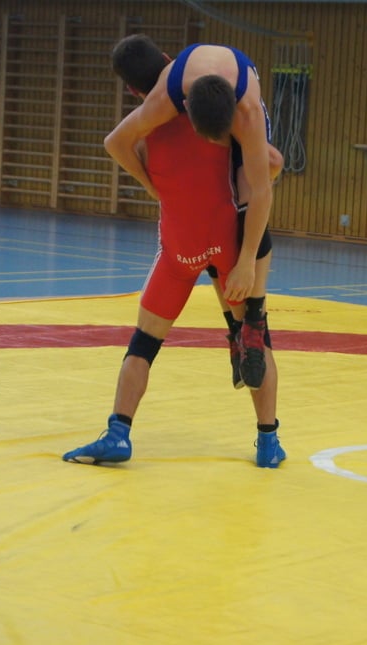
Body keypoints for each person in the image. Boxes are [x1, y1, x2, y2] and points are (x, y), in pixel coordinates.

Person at [63, 34, 285, 469]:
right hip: (227, 240)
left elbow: (115, 142)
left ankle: (118, 433)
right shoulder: (235, 118)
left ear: (133, 90)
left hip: (179, 248)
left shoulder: (147, 124)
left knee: (144, 342)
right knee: (254, 334)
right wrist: (243, 171)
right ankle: (267, 441)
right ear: (167, 61)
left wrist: (156, 187)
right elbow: (272, 165)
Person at [104, 39, 276, 391]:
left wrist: (247, 261)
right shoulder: (165, 99)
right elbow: (115, 142)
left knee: (247, 196)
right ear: (184, 108)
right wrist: (156, 188)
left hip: (234, 95)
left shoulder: (247, 114)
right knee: (231, 214)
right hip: (203, 99)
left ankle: (250, 319)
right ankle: (243, 327)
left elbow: (266, 182)